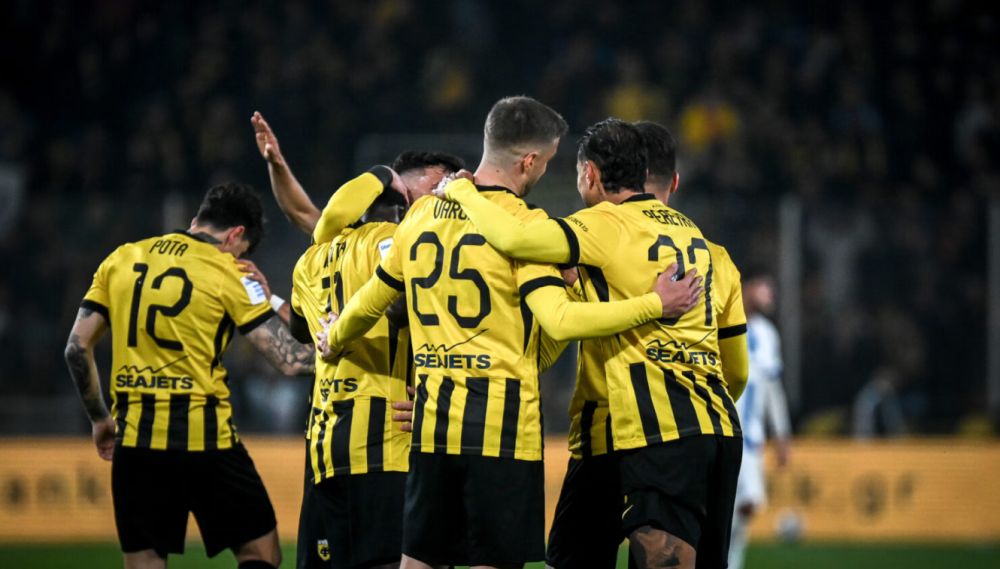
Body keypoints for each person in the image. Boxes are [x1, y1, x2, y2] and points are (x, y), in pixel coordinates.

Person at [318, 97, 701, 569]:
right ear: (529, 161)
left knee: (418, 562)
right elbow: (549, 334)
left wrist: (334, 336)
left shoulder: (420, 216)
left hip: (432, 428)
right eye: (549, 160)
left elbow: (373, 298)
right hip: (503, 430)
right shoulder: (528, 226)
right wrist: (624, 299)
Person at [437, 117, 744, 569]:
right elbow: (736, 372)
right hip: (705, 427)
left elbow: (514, 238)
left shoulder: (602, 225)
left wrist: (462, 191)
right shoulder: (706, 245)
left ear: (590, 174)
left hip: (649, 428)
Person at [252, 110, 465, 569]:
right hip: (388, 443)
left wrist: (270, 299)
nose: (444, 197)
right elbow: (410, 308)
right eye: (436, 188)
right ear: (404, 195)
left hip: (325, 446)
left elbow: (301, 330)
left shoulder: (314, 258)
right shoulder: (409, 246)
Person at [64, 182, 315, 569]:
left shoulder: (121, 258)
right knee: (261, 553)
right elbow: (291, 361)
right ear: (235, 235)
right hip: (206, 439)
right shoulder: (230, 273)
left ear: (197, 220)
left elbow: (76, 348)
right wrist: (279, 304)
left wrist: (100, 418)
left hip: (136, 442)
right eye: (242, 251)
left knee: (145, 560)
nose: (240, 259)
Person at [545, 121, 749, 569]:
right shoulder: (714, 256)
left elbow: (556, 323)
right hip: (693, 426)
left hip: (605, 433)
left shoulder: (594, 232)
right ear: (673, 181)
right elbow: (736, 373)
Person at [728, 268, 792, 569]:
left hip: (752, 437)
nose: (770, 294)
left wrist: (781, 434)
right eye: (765, 287)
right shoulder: (723, 321)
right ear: (747, 286)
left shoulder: (767, 334)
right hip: (724, 428)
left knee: (747, 504)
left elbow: (772, 389)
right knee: (735, 504)